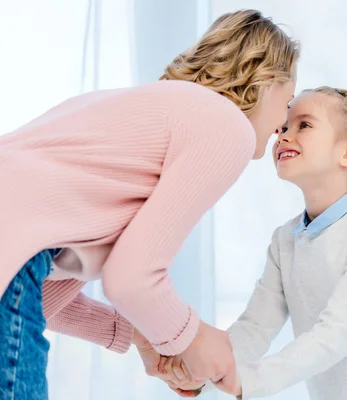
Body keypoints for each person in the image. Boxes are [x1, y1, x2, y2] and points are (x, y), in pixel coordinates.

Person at [0, 9, 298, 400]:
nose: (284, 122)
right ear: (263, 79)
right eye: (288, 101)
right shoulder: (226, 125)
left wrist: (138, 333)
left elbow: (33, 295)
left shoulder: (125, 110)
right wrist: (195, 338)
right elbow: (133, 278)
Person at [167, 87, 347, 399]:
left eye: (303, 125)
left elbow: (337, 332)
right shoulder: (286, 240)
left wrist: (249, 380)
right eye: (282, 126)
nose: (282, 135)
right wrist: (203, 370)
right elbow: (255, 327)